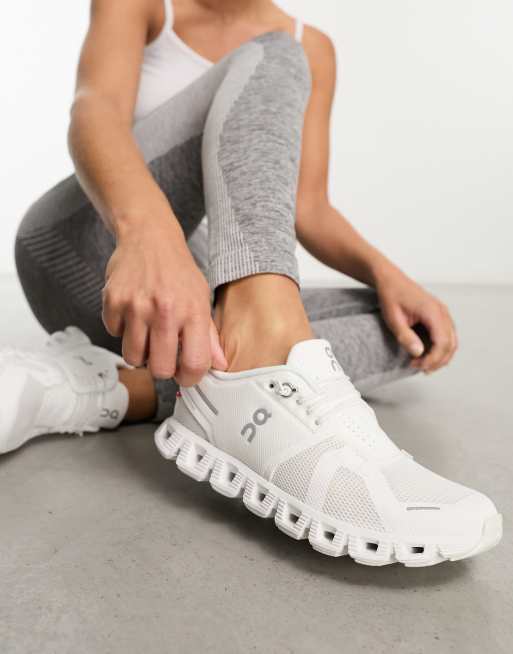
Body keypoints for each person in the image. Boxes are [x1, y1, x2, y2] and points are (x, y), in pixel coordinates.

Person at [2, 0, 501, 565]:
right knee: (276, 54)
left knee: (407, 334)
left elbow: (309, 207)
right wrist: (149, 235)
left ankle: (105, 388)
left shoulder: (314, 45)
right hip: (88, 244)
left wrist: (387, 275)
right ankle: (257, 355)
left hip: (176, 320)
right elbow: (95, 109)